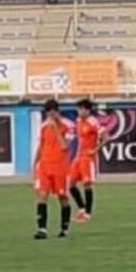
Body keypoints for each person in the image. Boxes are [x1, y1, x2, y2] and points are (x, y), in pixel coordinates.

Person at [33, 99, 73, 240]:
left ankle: (64, 228)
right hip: (45, 166)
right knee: (42, 196)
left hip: (60, 167)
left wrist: (55, 128)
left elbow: (64, 146)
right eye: (48, 113)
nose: (50, 116)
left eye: (52, 113)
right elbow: (41, 146)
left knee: (62, 197)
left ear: (57, 111)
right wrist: (35, 164)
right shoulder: (44, 127)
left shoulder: (68, 125)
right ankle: (42, 229)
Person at [68, 99, 107, 224]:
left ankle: (87, 215)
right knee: (71, 184)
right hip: (78, 157)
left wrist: (95, 150)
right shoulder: (78, 121)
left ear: (87, 110)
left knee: (87, 185)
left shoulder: (93, 122)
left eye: (81, 109)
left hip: (88, 158)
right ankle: (82, 208)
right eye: (78, 109)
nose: (78, 111)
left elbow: (106, 137)